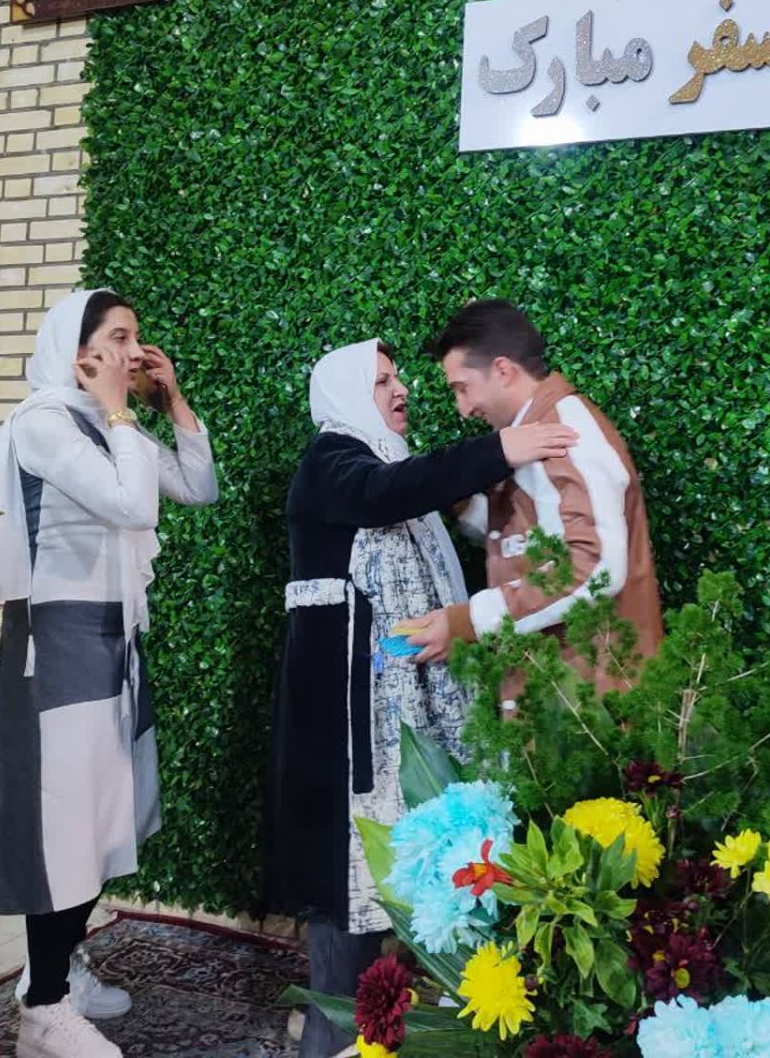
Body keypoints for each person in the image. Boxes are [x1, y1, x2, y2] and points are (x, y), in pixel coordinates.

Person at [262, 338, 576, 1058]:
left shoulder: (385, 466)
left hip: (408, 720)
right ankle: (328, 1043)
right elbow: (386, 494)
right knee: (352, 903)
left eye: (398, 377)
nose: (400, 389)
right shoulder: (332, 463)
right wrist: (500, 448)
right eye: (382, 380)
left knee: (409, 888)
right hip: (355, 737)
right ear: (346, 395)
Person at [0, 288, 219, 1058]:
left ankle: (57, 971)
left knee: (108, 816)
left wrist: (169, 402)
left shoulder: (106, 424)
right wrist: (119, 410)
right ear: (77, 352)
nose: (134, 352)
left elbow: (198, 486)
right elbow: (132, 507)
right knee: (63, 822)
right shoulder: (45, 422)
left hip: (112, 637)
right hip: (58, 639)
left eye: (136, 338)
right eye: (119, 337)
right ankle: (44, 1007)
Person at [405, 299, 664, 703]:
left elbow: (593, 568)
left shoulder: (566, 432)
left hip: (594, 706)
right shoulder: (533, 431)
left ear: (503, 370)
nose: (463, 409)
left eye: (462, 388)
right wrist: (450, 495)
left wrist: (469, 621)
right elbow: (529, 537)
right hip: (567, 699)